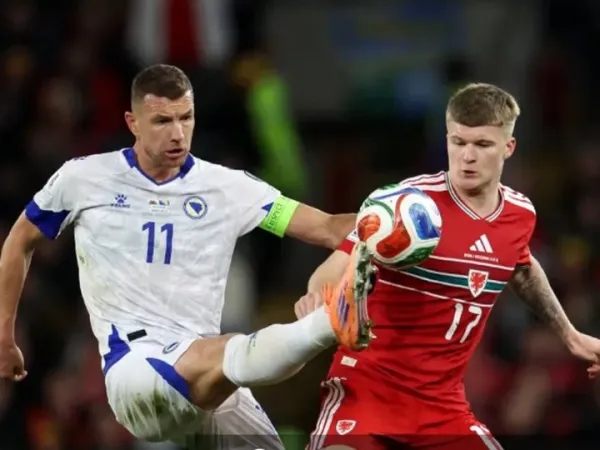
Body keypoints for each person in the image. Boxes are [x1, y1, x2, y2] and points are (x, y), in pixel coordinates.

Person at [0, 64, 376, 450]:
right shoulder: (84, 178)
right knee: (225, 350)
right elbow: (20, 240)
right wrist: (4, 333)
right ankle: (331, 323)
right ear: (133, 122)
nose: (178, 133)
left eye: (186, 118)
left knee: (225, 364)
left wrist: (387, 215)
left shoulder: (228, 187)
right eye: (162, 121)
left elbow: (328, 227)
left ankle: (327, 324)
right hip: (135, 371)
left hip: (206, 376)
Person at [296, 83, 600, 450]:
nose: (467, 156)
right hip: (367, 392)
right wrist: (317, 297)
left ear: (508, 147)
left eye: (482, 144)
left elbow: (521, 267)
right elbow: (334, 266)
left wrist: (570, 335)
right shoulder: (405, 205)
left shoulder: (520, 214)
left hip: (442, 407)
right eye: (458, 142)